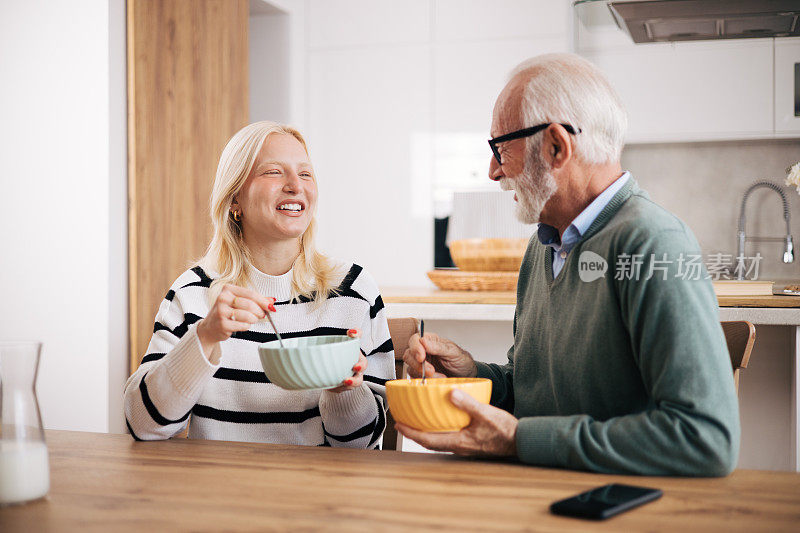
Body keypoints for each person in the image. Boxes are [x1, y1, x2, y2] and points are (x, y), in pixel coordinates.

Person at [399, 53, 740, 476]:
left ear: (556, 146)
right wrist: (473, 377)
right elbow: (536, 396)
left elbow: (704, 439)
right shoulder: (543, 245)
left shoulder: (653, 243)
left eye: (501, 147)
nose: (493, 171)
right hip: (542, 497)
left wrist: (518, 440)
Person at [124, 121, 394, 448]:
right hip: (218, 492)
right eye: (273, 172)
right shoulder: (192, 293)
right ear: (235, 198)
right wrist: (206, 336)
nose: (296, 186)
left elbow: (362, 447)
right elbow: (142, 424)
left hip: (320, 493)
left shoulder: (353, 291)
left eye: (305, 174)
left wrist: (344, 391)